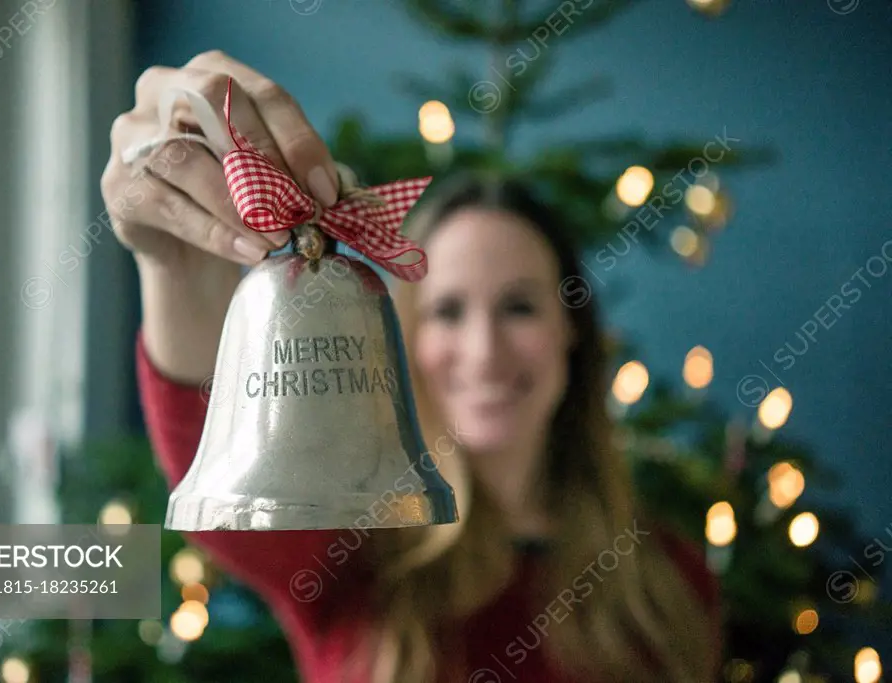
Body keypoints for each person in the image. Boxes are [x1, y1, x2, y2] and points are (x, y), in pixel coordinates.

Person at [101, 50, 721, 683]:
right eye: (448, 310)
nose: (484, 350)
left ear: (573, 331)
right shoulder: (340, 554)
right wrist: (174, 267)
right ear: (399, 338)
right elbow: (211, 435)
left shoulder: (668, 580)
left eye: (519, 307)